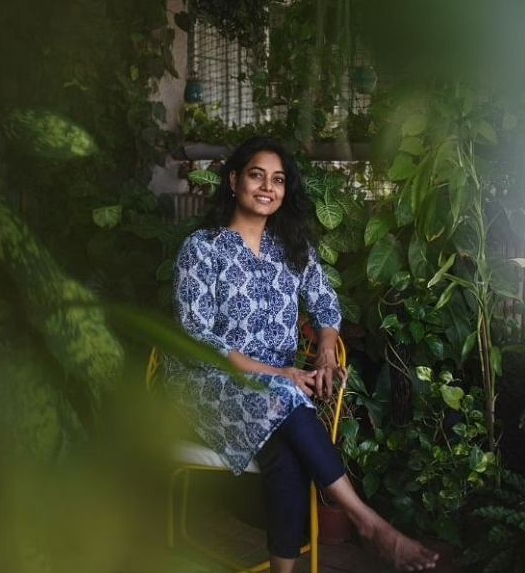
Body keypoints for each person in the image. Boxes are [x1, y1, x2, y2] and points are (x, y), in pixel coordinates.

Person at [164, 137, 438, 572]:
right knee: (286, 395)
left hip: (271, 391)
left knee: (285, 450)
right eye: (257, 175)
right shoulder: (203, 248)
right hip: (207, 384)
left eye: (278, 180)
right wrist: (280, 373)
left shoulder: (291, 249)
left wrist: (327, 351)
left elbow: (327, 305)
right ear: (235, 180)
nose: (267, 187)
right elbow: (197, 337)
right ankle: (366, 521)